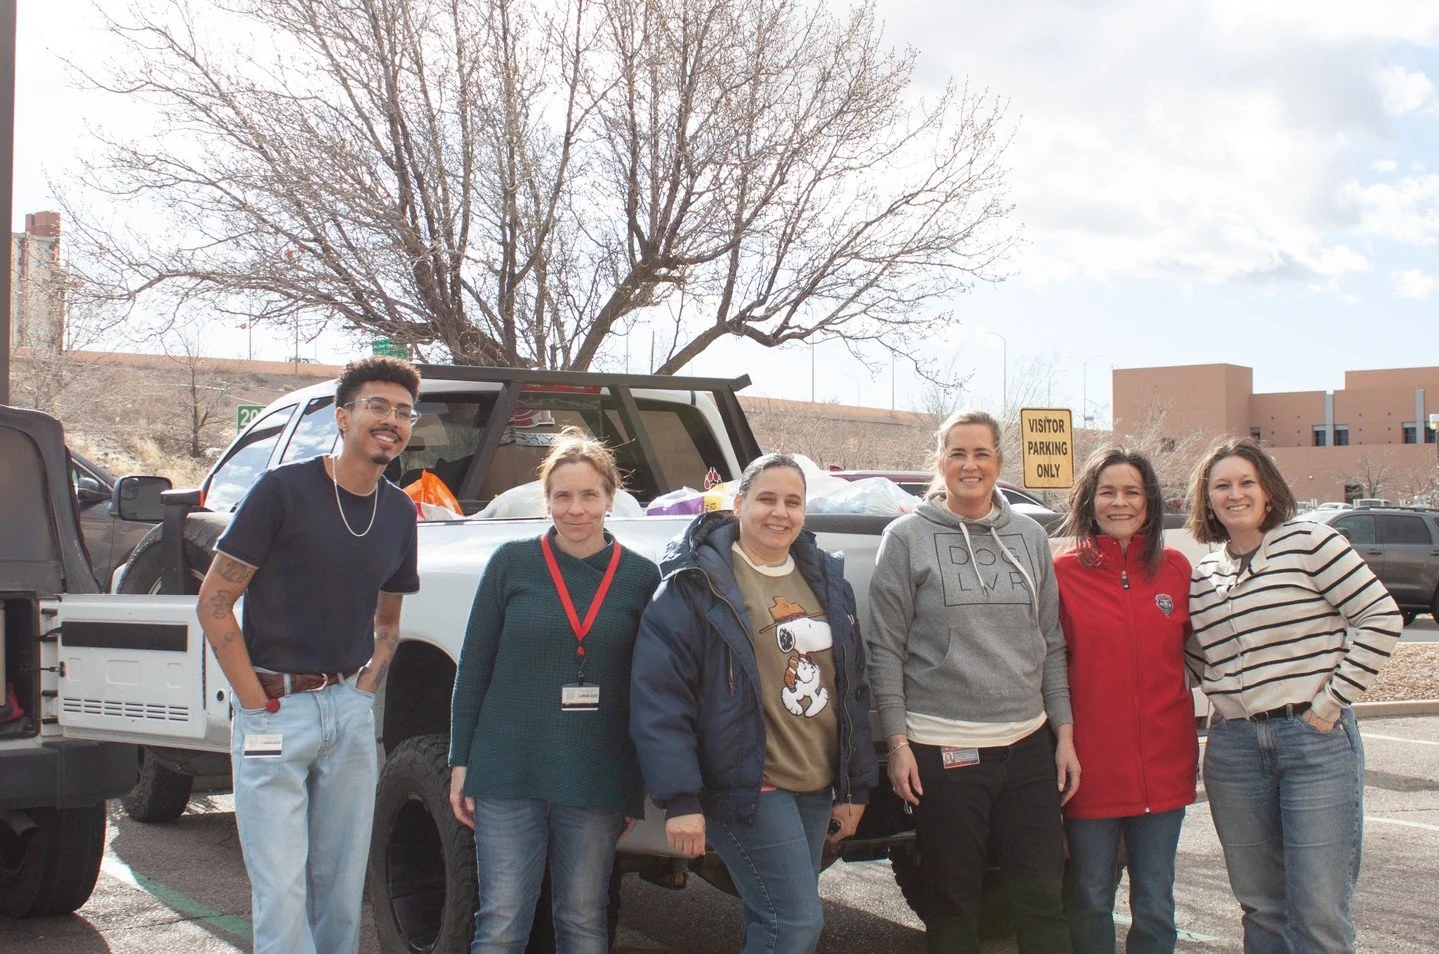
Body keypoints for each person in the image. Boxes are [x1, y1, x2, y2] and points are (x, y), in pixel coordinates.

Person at [196, 357, 422, 954]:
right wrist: (253, 701)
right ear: (343, 417)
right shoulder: (282, 491)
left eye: (404, 412)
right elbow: (215, 603)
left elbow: (389, 622)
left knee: (343, 892)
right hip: (275, 710)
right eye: (377, 406)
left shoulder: (400, 511)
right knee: (283, 894)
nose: (391, 421)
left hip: (349, 713)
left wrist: (365, 688)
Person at [630, 453, 877, 954]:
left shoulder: (825, 579)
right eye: (766, 498)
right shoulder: (695, 583)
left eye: (793, 501)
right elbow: (660, 700)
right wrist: (679, 801)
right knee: (795, 923)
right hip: (747, 783)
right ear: (738, 503)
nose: (779, 512)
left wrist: (855, 786)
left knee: (772, 919)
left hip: (814, 782)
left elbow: (851, 685)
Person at [867, 408, 1077, 954]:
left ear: (999, 462)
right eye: (957, 452)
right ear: (940, 461)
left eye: (981, 452)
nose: (970, 464)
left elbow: (1049, 640)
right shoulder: (906, 537)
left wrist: (1066, 735)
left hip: (1029, 745)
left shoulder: (1030, 536)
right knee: (952, 903)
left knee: (1041, 897)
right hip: (943, 747)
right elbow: (885, 647)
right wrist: (897, 744)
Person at [1186, 437, 1402, 953]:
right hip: (1234, 748)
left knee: (1318, 911)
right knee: (1261, 908)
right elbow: (1198, 659)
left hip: (1313, 742)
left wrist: (1329, 705)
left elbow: (1381, 618)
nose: (1234, 494)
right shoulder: (1203, 576)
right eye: (1221, 486)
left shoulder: (1311, 542)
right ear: (1207, 498)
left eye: (1246, 482)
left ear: (1267, 489)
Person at [449, 429, 660, 954]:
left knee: (585, 918)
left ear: (611, 498)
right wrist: (460, 762)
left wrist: (630, 783)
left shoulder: (640, 577)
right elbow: (473, 668)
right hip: (506, 768)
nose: (576, 509)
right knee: (501, 919)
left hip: (594, 774)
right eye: (562, 496)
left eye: (589, 495)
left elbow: (647, 692)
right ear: (546, 499)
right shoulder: (510, 564)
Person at [1053, 448, 1198, 954]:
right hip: (1090, 770)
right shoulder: (1061, 573)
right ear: (1088, 500)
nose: (1120, 502)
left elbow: (1211, 651)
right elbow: (1048, 667)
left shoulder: (1177, 569)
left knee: (1156, 899)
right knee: (1090, 894)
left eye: (1132, 491)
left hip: (1165, 765)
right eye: (1107, 491)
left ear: (1149, 501)